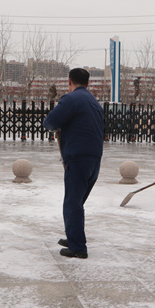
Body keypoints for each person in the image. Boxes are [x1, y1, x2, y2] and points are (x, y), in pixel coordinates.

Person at [43, 68, 104, 259]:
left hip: (78, 158)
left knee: (72, 203)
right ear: (88, 83)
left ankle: (78, 248)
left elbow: (50, 122)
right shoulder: (93, 101)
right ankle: (73, 237)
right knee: (77, 202)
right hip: (94, 159)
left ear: (69, 81)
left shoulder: (71, 99)